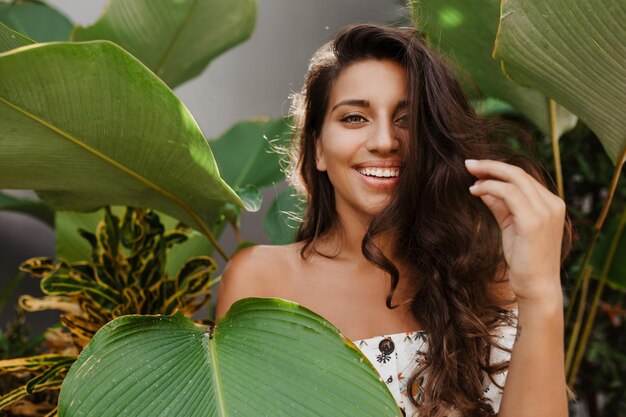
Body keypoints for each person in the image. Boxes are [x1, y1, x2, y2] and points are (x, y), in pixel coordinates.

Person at [216, 23, 571, 417]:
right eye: (354, 118)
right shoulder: (261, 280)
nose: (385, 141)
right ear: (317, 149)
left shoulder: (487, 278)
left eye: (407, 119)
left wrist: (540, 294)